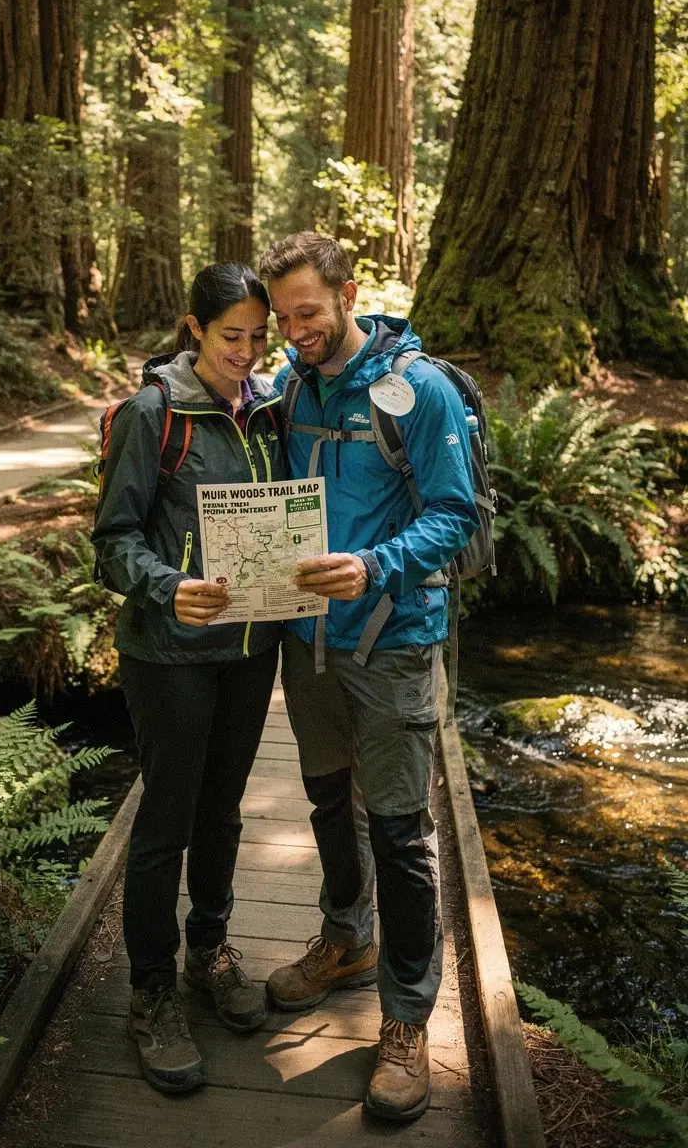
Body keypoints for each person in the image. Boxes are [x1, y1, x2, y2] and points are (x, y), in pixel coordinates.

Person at [258, 231, 478, 1123]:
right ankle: (345, 941)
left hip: (392, 641)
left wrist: (376, 565)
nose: (294, 332)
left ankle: (407, 1017)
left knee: (398, 829)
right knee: (326, 802)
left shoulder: (416, 391)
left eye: (307, 313)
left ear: (349, 294)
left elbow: (456, 512)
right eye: (282, 318)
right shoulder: (292, 384)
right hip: (307, 642)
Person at [91, 263, 286, 1097]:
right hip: (169, 653)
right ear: (194, 328)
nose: (245, 352)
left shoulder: (270, 408)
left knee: (222, 809)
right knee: (166, 820)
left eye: (258, 337)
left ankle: (209, 949)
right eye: (230, 335)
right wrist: (170, 587)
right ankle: (150, 992)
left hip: (250, 650)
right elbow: (113, 540)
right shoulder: (153, 413)